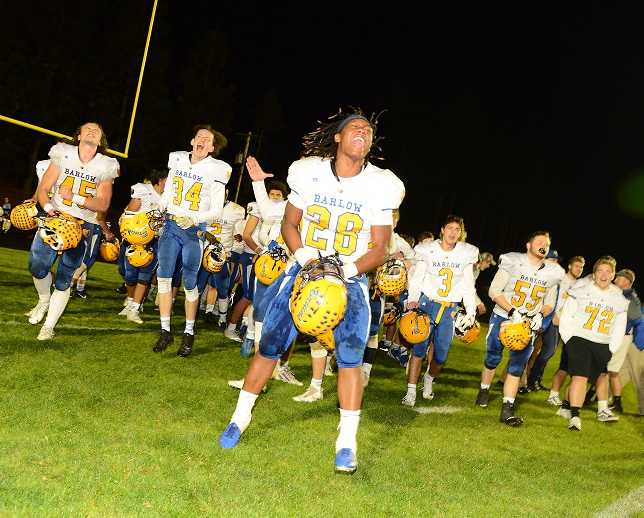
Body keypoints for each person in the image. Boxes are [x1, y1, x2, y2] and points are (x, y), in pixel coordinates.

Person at [218, 109, 405, 475]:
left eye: (368, 131)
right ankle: (240, 417)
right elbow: (290, 223)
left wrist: (343, 271)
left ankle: (346, 442)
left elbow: (380, 247)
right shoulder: (310, 171)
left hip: (349, 278)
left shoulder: (382, 183)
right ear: (337, 137)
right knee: (269, 345)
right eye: (355, 128)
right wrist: (306, 258)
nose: (363, 133)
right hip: (303, 271)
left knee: (350, 357)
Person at [29, 122, 119, 340]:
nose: (92, 131)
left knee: (65, 277)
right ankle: (43, 300)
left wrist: (75, 198)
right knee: (37, 266)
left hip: (82, 225)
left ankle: (49, 326)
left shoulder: (106, 165)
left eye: (97, 131)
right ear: (78, 136)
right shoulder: (62, 153)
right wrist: (49, 208)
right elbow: (44, 188)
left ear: (101, 141)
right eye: (87, 129)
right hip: (55, 217)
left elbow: (103, 204)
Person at [153, 125, 230, 357]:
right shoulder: (176, 159)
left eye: (208, 140)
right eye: (199, 137)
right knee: (163, 277)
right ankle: (165, 330)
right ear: (192, 140)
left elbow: (217, 211)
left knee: (189, 281)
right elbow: (168, 192)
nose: (202, 141)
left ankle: (188, 331)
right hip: (170, 226)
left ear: (212, 148)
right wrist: (161, 204)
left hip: (193, 231)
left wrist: (194, 218)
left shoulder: (217, 169)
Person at [474, 230, 563, 425]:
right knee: (493, 357)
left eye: (546, 243)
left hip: (528, 323)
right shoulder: (513, 261)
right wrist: (512, 310)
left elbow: (549, 302)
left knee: (517, 365)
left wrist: (540, 315)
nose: (543, 245)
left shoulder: (552, 272)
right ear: (528, 245)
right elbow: (494, 290)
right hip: (503, 317)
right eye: (539, 241)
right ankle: (484, 389)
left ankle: (507, 408)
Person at [401, 215, 478, 406]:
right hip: (428, 304)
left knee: (441, 355)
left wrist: (471, 310)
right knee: (419, 349)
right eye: (450, 228)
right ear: (442, 230)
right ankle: (410, 391)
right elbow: (417, 277)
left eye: (457, 230)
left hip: (450, 308)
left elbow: (469, 284)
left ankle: (428, 378)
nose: (453, 233)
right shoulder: (428, 250)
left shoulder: (466, 253)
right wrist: (412, 300)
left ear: (461, 233)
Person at [557, 256, 628, 430]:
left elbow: (620, 326)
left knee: (593, 377)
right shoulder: (582, 289)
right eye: (600, 271)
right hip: (580, 339)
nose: (604, 275)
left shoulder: (618, 297)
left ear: (612, 275)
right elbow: (567, 315)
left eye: (608, 271)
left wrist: (611, 347)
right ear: (594, 274)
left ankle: (566, 405)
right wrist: (569, 340)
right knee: (580, 377)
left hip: (602, 343)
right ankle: (575, 417)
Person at [119, 168, 167, 323]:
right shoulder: (143, 190)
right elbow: (130, 211)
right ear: (160, 180)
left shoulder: (170, 198)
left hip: (155, 240)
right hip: (136, 238)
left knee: (145, 275)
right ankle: (131, 300)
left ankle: (134, 308)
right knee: (129, 275)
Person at [606, 269, 641, 412]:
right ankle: (604, 399)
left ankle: (616, 403)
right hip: (615, 336)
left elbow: (636, 316)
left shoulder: (629, 296)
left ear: (626, 281)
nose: (615, 280)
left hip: (622, 337)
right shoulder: (619, 294)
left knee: (612, 370)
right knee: (607, 368)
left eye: (618, 278)